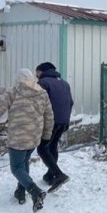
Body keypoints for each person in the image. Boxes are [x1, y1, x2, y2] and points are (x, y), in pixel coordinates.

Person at [0, 68, 54, 212]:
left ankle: (35, 191)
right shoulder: (42, 93)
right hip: (34, 137)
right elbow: (49, 116)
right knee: (24, 163)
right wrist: (46, 135)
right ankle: (20, 192)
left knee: (16, 168)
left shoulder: (13, 91)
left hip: (18, 137)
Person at [34, 62, 74, 191]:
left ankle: (58, 174)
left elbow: (38, 104)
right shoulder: (64, 83)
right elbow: (71, 102)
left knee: (42, 148)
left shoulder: (43, 84)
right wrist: (65, 118)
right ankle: (50, 175)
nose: (36, 76)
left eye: (37, 73)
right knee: (52, 146)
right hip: (63, 121)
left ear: (41, 71)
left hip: (50, 122)